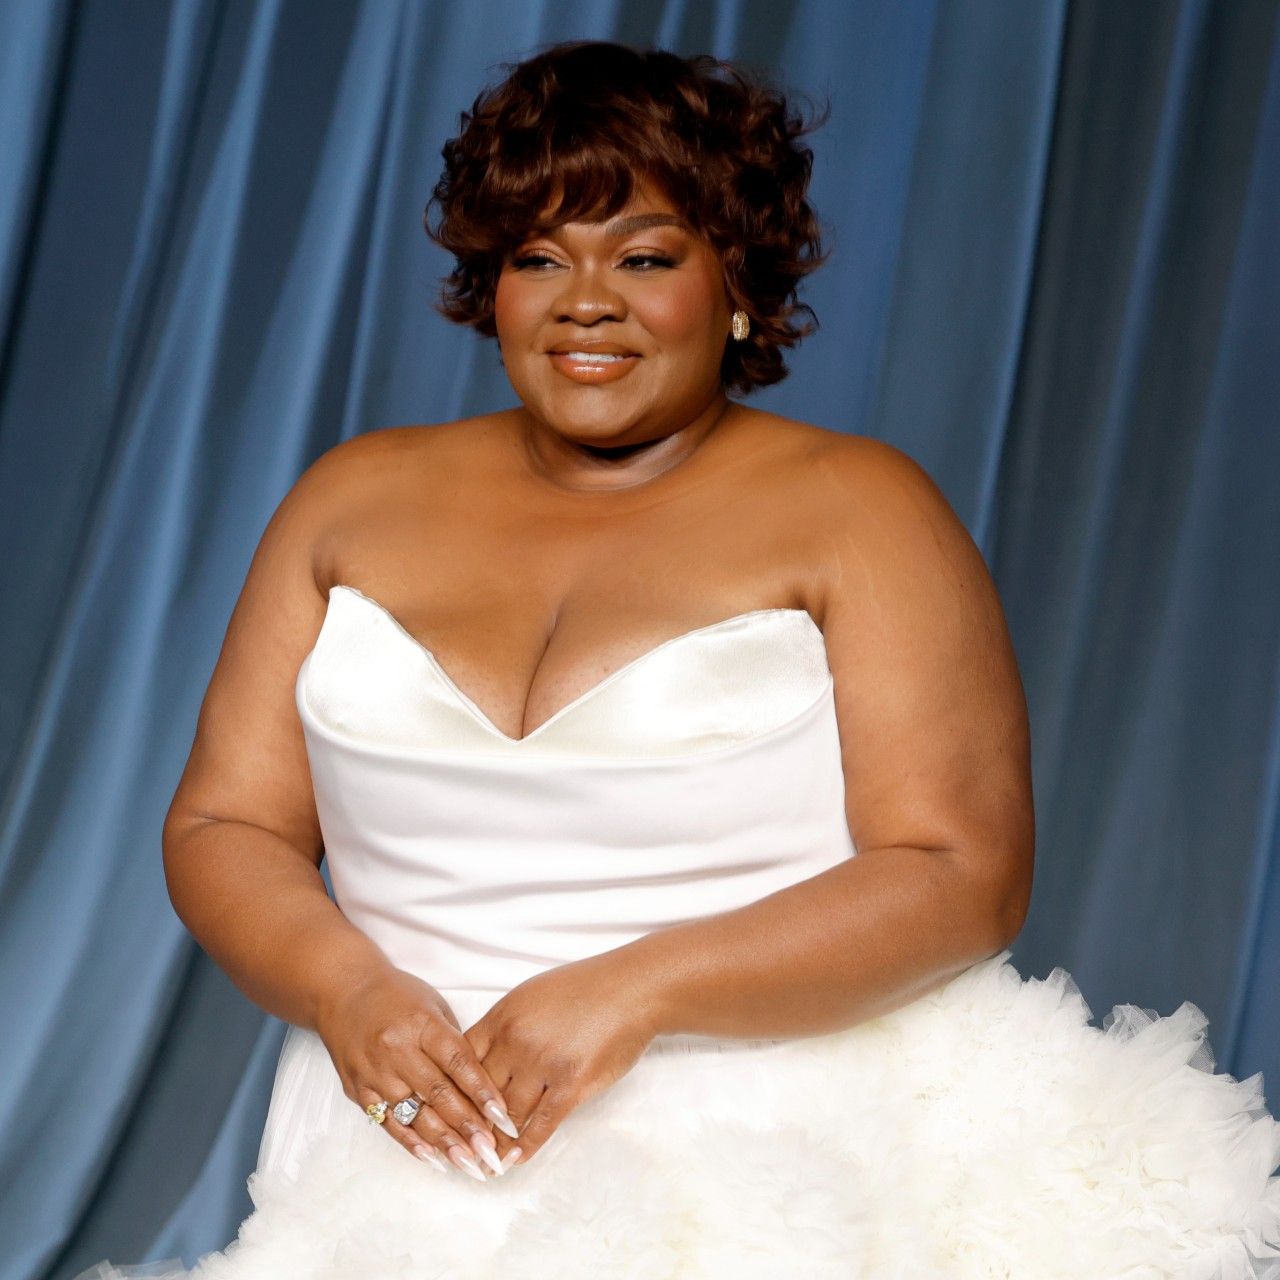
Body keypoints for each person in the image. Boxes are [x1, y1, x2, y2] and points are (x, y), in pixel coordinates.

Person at [80, 40, 1280, 1279]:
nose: (583, 299)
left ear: (736, 283)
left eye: (643, 258)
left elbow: (962, 872)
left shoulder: (861, 509)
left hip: (782, 1147)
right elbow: (225, 821)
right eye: (538, 256)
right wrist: (346, 990)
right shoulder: (346, 498)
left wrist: (634, 988)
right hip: (398, 1134)